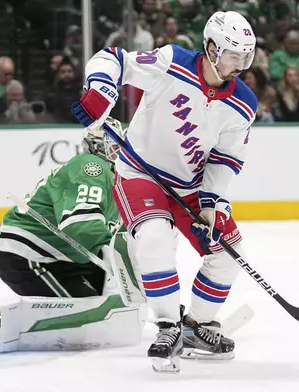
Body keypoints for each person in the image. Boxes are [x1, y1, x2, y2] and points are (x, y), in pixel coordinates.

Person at [71, 11, 258, 373]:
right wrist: (101, 89)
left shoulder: (244, 103)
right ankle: (168, 325)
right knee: (154, 236)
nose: (241, 64)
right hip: (140, 172)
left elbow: (226, 158)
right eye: (234, 54)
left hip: (190, 187)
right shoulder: (172, 62)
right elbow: (112, 59)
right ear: (211, 48)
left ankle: (197, 326)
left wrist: (211, 200)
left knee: (230, 253)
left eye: (245, 56)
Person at [0, 118, 146, 353]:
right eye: (114, 144)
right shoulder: (91, 166)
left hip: (66, 257)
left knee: (115, 295)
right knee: (90, 312)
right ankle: (1, 326)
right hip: (30, 257)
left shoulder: (115, 179)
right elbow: (81, 226)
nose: (120, 150)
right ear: (97, 144)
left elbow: (118, 239)